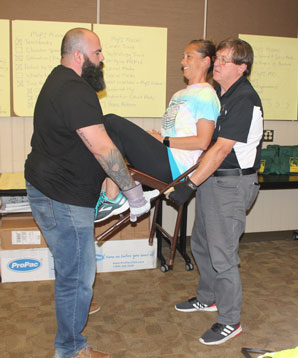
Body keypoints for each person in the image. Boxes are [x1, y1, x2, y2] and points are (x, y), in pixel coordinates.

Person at [25, 28, 156, 358]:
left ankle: (76, 307)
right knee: (78, 277)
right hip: (62, 197)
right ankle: (70, 349)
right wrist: (132, 191)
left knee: (70, 266)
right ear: (80, 56)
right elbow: (100, 146)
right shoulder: (74, 90)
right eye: (98, 54)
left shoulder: (58, 81)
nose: (102, 60)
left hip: (51, 188)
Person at [170, 38, 263, 345]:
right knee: (201, 243)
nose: (217, 64)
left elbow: (221, 148)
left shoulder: (244, 99)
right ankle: (208, 297)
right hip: (214, 179)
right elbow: (204, 141)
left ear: (242, 67)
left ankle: (229, 320)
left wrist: (191, 183)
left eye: (224, 60)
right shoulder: (219, 95)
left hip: (233, 183)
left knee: (222, 255)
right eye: (217, 58)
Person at [94, 39, 220, 223]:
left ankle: (113, 196)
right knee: (110, 134)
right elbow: (176, 132)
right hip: (165, 156)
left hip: (176, 168)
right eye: (183, 57)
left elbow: (203, 141)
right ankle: (108, 194)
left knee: (111, 122)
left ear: (206, 61)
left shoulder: (207, 95)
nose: (183, 61)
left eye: (189, 56)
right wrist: (157, 138)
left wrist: (164, 140)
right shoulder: (179, 95)